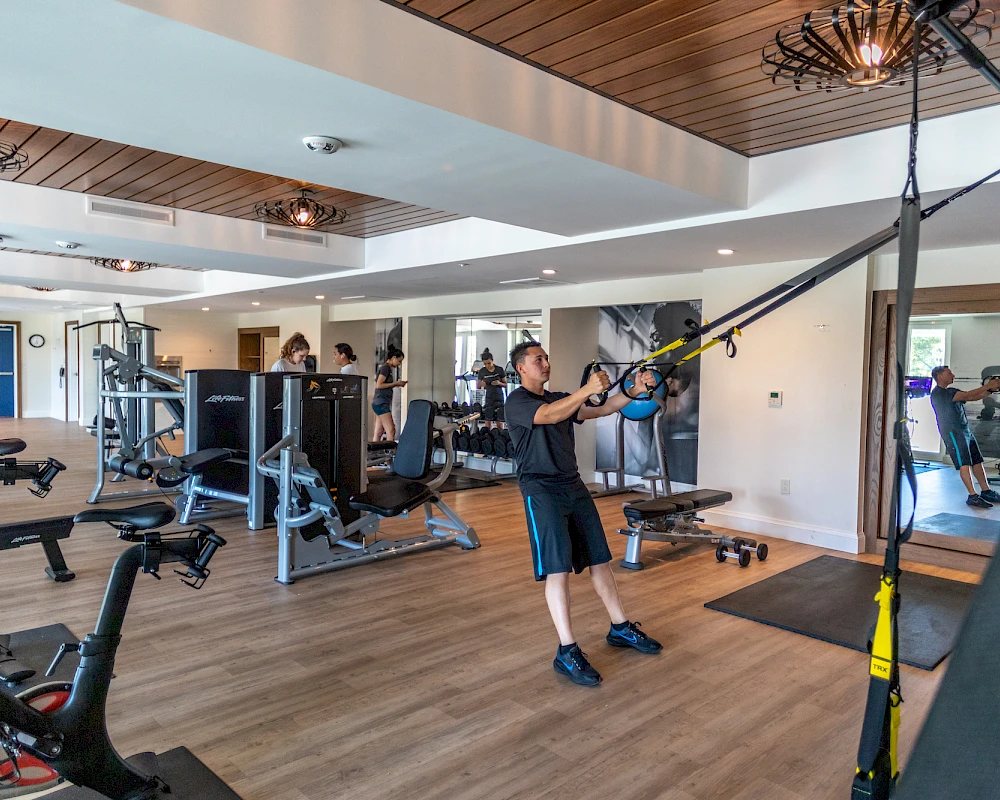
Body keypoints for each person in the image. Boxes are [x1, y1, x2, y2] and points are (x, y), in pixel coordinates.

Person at [505, 341, 662, 687]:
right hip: (540, 491)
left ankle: (620, 628)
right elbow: (550, 416)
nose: (545, 363)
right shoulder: (517, 402)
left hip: (573, 485)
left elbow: (601, 410)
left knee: (599, 559)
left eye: (547, 357)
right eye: (538, 359)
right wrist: (588, 389)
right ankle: (567, 649)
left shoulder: (559, 396)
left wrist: (635, 391)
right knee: (557, 569)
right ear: (521, 368)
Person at [929, 365, 1000, 508]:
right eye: (950, 373)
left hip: (964, 430)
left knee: (977, 461)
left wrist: (990, 390)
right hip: (953, 432)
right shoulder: (939, 393)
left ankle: (985, 491)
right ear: (940, 376)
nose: (953, 375)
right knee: (964, 464)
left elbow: (973, 396)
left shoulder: (951, 392)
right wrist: (989, 385)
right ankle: (972, 496)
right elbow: (967, 395)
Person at [372, 347, 407, 441]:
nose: (399, 364)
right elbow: (379, 385)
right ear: (394, 358)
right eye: (399, 361)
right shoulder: (386, 368)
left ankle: (374, 452)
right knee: (391, 430)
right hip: (381, 402)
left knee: (378, 432)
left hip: (379, 402)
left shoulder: (386, 368)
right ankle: (390, 453)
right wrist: (396, 383)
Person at [477, 349, 507, 429]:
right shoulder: (482, 371)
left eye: (489, 363)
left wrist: (499, 383)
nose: (487, 366)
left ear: (492, 360)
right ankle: (488, 436)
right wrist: (482, 384)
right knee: (488, 419)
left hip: (499, 396)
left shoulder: (499, 370)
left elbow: (506, 384)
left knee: (499, 420)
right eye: (485, 364)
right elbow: (478, 386)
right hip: (489, 397)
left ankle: (500, 436)